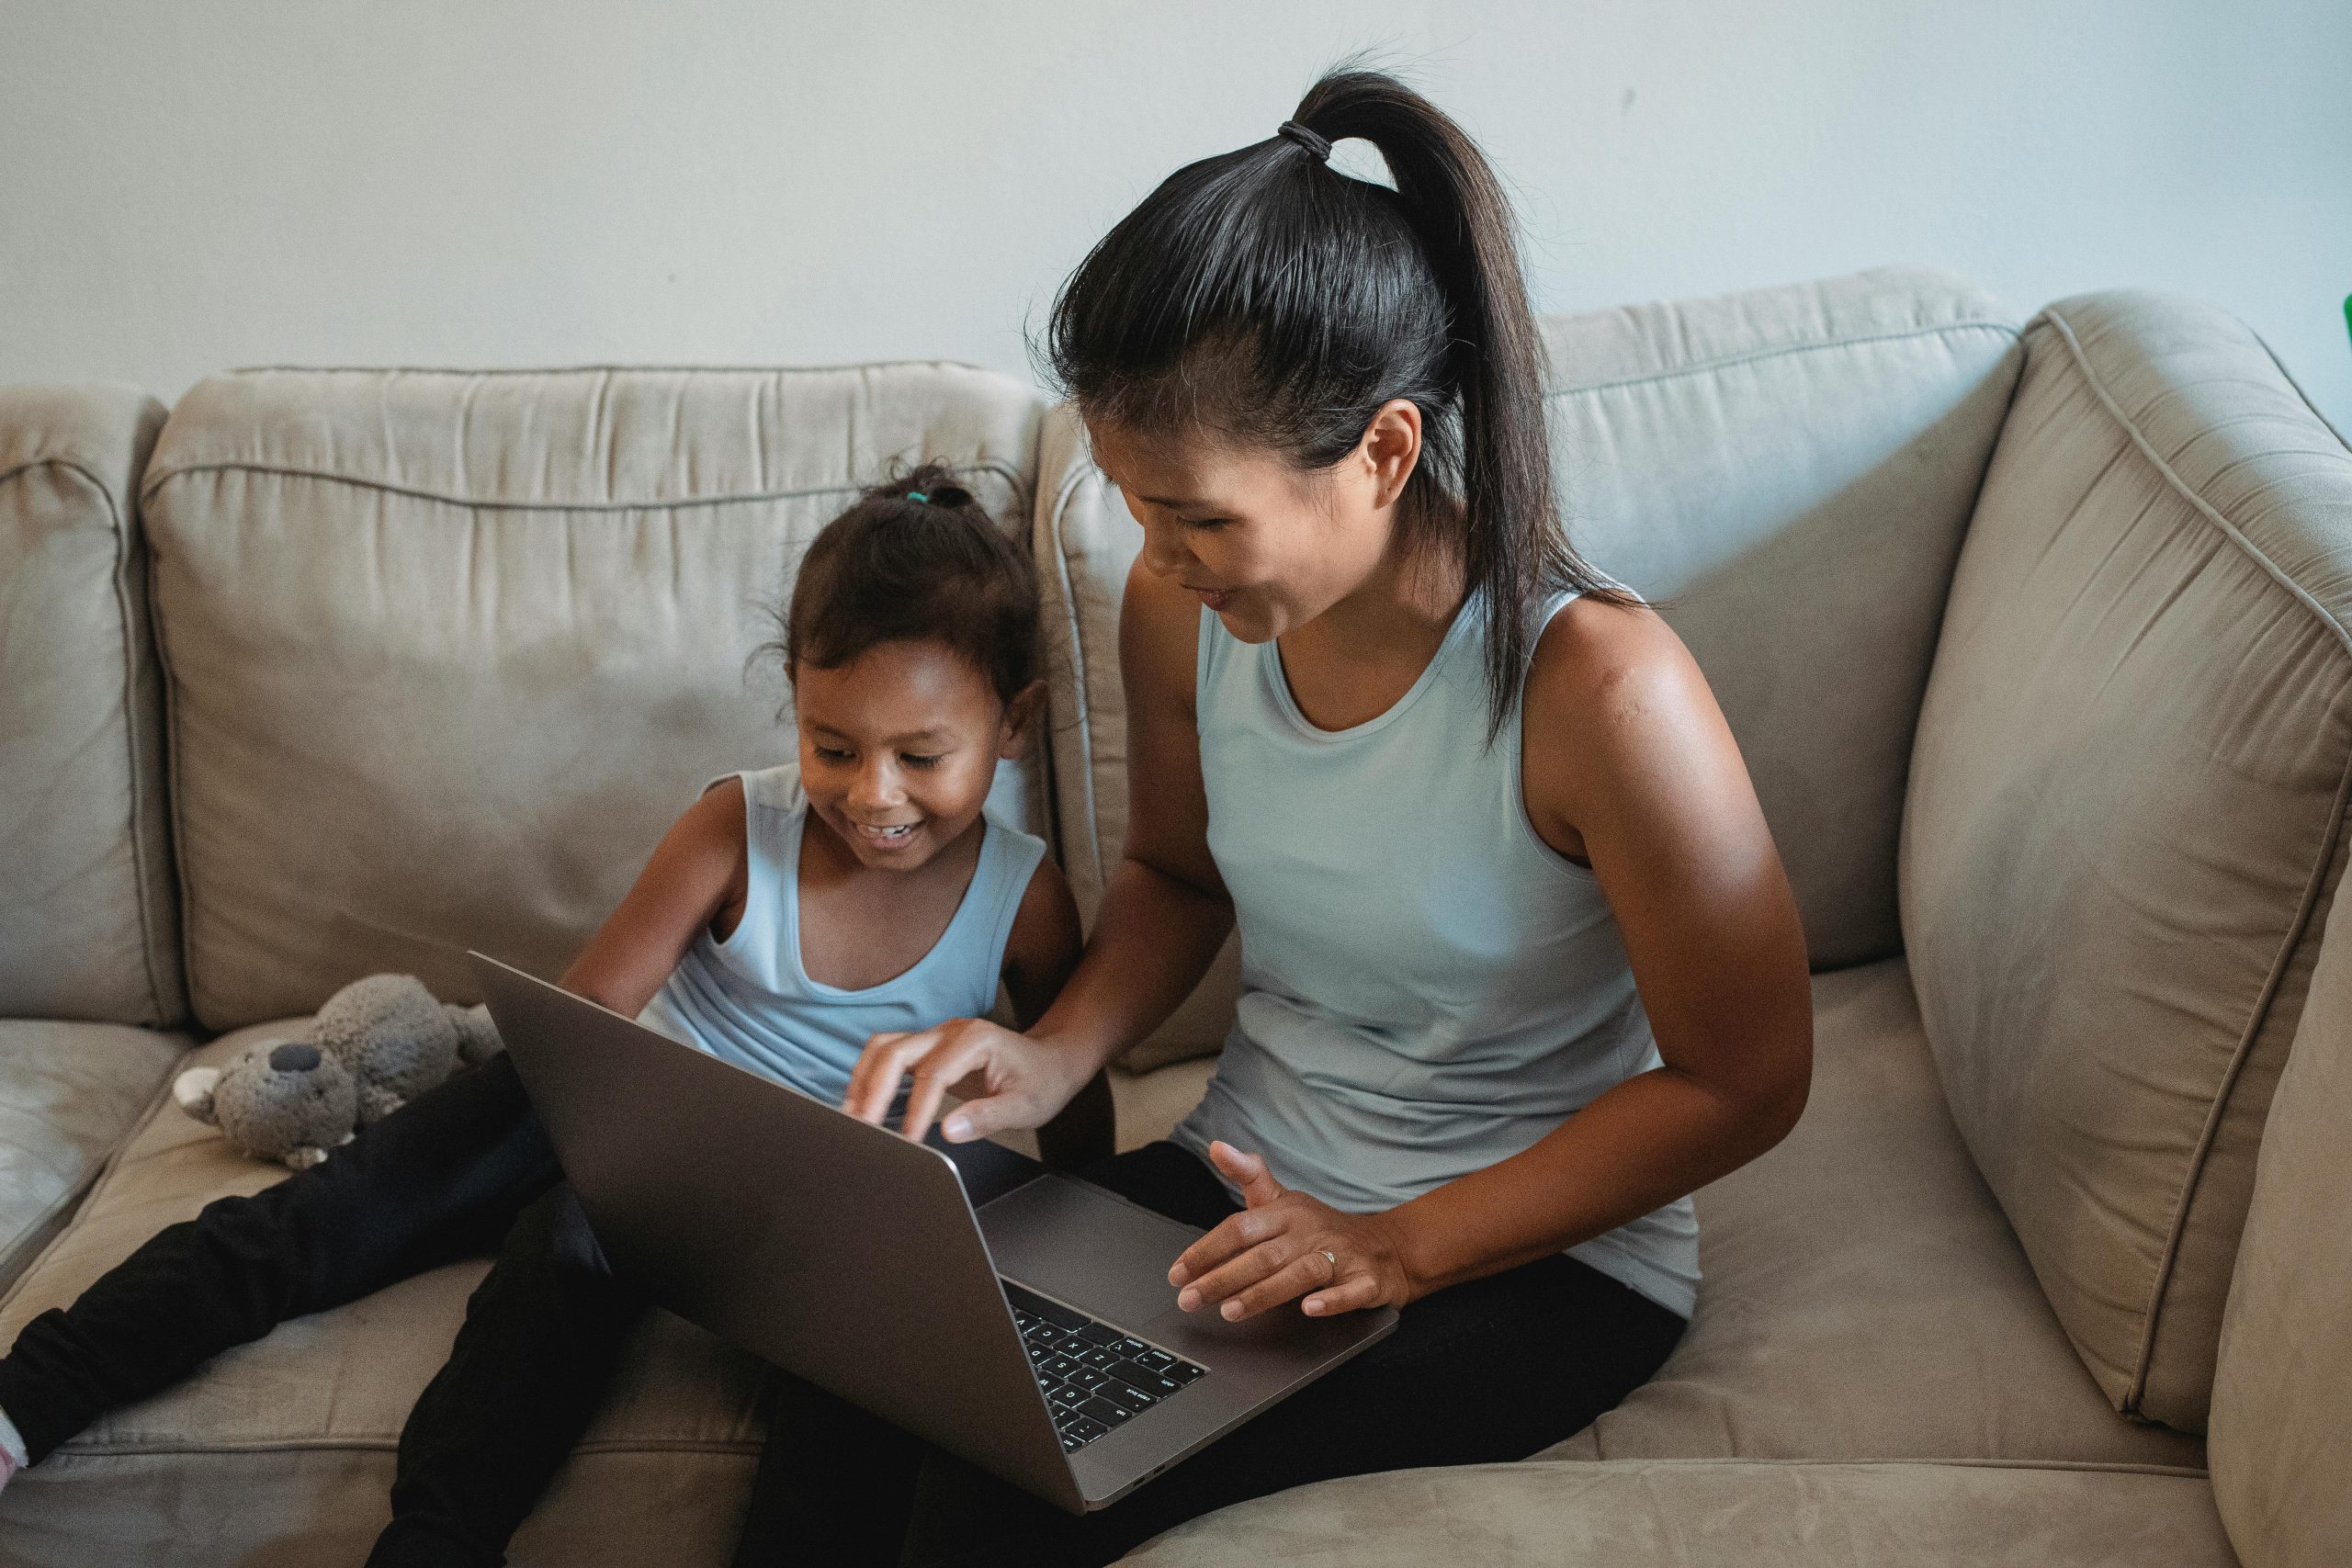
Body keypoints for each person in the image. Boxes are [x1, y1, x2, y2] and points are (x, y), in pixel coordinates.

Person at [774, 66, 1815, 1566]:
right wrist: (1044, 1053)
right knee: (858, 1343)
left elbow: (1750, 1075)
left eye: (1200, 514)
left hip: (1530, 1264)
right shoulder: (1178, 609)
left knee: (999, 1494)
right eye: (1135, 504)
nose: (1161, 553)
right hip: (1248, 1179)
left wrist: (1399, 1242)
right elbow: (1175, 873)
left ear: (1385, 453)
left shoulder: (1602, 688)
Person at [0, 468, 1090, 1568]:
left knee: (853, 1414)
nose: (873, 796)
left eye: (920, 756)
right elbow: (584, 1026)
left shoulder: (1023, 897)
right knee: (376, 1223)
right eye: (834, 747)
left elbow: (1065, 1085)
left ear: (1013, 724)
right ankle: (38, 1402)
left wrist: (1065, 1232)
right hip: (628, 1134)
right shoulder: (737, 827)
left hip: (811, 1214)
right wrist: (587, 1143)